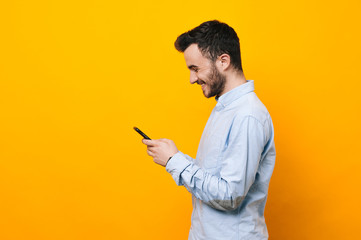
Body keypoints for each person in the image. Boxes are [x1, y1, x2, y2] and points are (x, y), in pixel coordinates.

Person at [142, 20, 276, 240]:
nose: (192, 79)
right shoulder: (224, 108)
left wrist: (175, 161)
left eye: (195, 68)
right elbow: (216, 179)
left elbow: (229, 196)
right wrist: (174, 156)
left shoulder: (247, 116)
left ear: (223, 61)